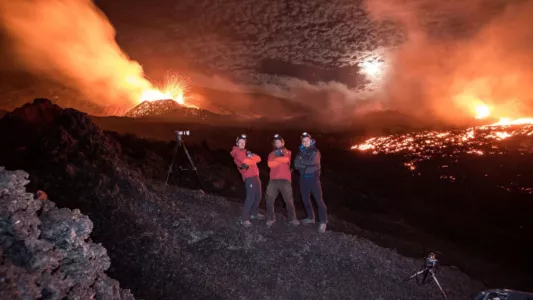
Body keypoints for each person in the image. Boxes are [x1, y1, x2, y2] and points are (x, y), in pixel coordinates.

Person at [294, 132, 328, 233]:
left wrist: (303, 162)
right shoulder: (300, 153)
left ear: (310, 141)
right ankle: (310, 217)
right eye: (303, 141)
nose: (305, 143)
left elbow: (312, 162)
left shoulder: (315, 151)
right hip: (303, 179)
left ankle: (323, 221)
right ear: (302, 142)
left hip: (313, 179)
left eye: (307, 141)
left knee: (318, 200)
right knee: (305, 199)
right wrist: (304, 163)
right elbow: (296, 165)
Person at [265, 134, 300, 227]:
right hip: (273, 180)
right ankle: (271, 218)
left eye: (279, 142)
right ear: (274, 144)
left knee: (289, 200)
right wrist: (278, 160)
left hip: (285, 179)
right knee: (269, 199)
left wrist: (276, 160)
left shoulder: (287, 151)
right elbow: (270, 164)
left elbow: (286, 159)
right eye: (276, 142)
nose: (277, 143)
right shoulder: (271, 154)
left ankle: (292, 219)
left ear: (282, 143)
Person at [230, 134, 264, 227]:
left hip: (256, 176)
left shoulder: (246, 152)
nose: (242, 143)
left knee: (258, 196)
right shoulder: (236, 152)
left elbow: (259, 158)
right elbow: (246, 161)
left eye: (243, 142)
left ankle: (254, 213)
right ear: (237, 143)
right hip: (249, 177)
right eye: (240, 142)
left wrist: (250, 157)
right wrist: (251, 158)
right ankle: (244, 219)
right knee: (250, 197)